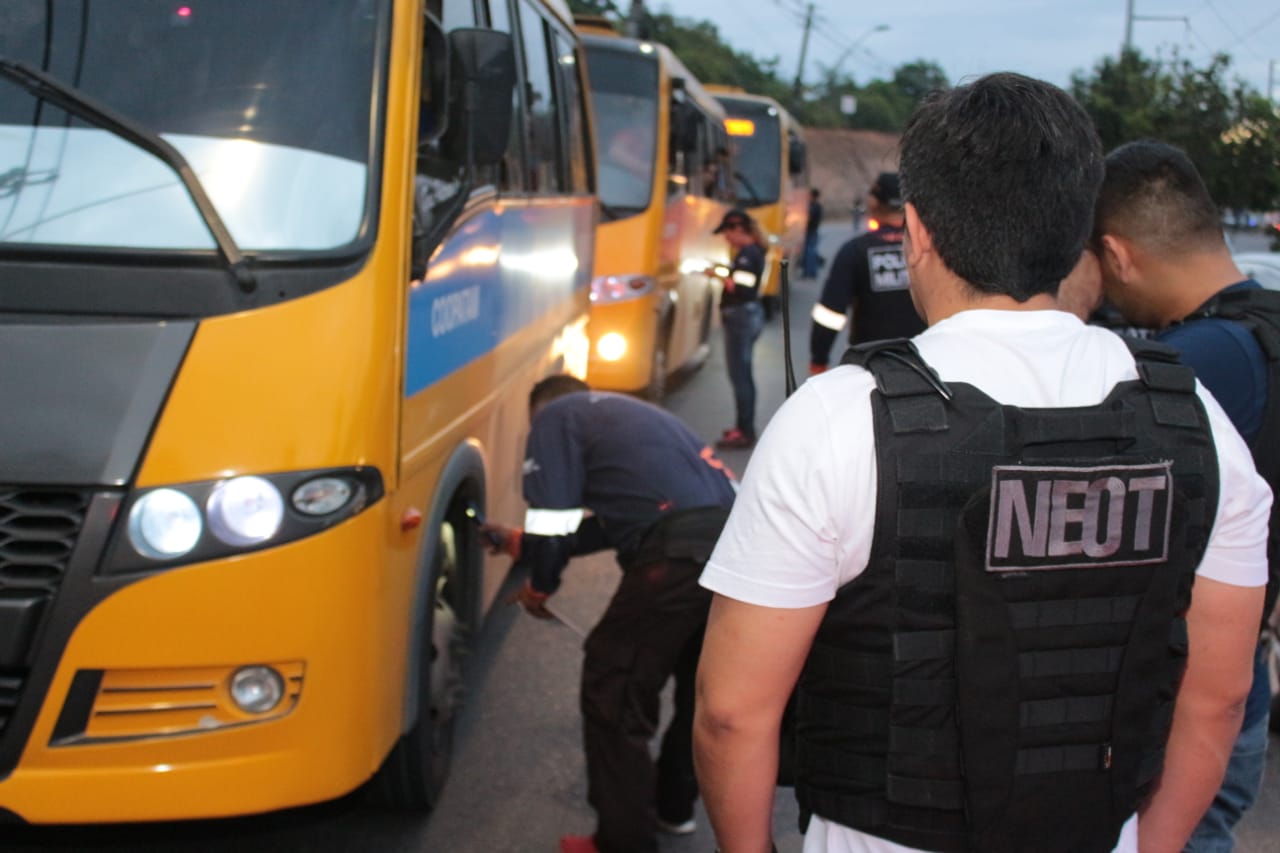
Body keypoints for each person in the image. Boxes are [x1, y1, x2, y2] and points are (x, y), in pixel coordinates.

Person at [693, 72, 1269, 853]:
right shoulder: (1196, 420)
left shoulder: (836, 423)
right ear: (1078, 236)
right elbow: (1220, 700)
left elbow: (732, 712)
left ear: (918, 230)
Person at [1092, 139, 1280, 852]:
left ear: (1117, 254)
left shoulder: (1189, 369)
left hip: (1178, 714)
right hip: (1239, 689)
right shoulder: (1266, 332)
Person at [481, 374, 736, 853]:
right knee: (698, 684)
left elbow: (553, 516)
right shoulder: (634, 417)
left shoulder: (556, 414)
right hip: (736, 553)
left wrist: (540, 582)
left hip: (675, 556)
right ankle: (674, 807)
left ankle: (623, 842)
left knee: (613, 683)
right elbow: (636, 515)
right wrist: (521, 543)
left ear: (542, 408)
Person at [808, 171, 924, 373]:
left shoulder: (855, 250)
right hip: (925, 364)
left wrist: (819, 359)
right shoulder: (927, 251)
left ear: (873, 203)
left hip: (869, 367)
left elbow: (830, 313)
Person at [713, 208, 767, 449]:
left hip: (741, 317)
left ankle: (744, 431)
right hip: (747, 316)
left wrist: (721, 276)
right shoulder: (752, 252)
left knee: (740, 376)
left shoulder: (747, 254)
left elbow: (745, 287)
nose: (726, 238)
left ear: (737, 228)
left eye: (727, 232)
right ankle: (743, 427)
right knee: (742, 375)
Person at [801, 188, 824, 279]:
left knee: (810, 252)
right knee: (810, 252)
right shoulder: (816, 206)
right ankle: (809, 272)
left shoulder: (814, 206)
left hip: (811, 232)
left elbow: (809, 217)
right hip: (812, 231)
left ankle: (810, 272)